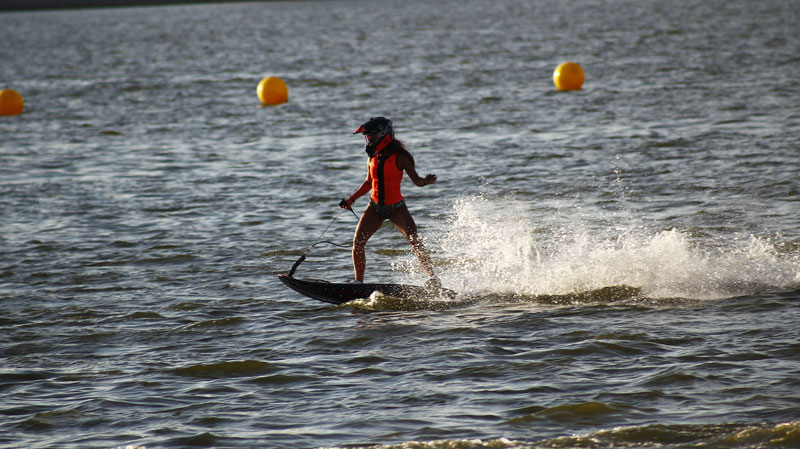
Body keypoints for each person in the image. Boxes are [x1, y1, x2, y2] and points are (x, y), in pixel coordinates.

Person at [340, 117, 440, 288]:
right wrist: (351, 199)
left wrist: (426, 181)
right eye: (367, 138)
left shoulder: (401, 158)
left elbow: (417, 181)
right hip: (374, 207)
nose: (368, 141)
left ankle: (432, 279)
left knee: (415, 241)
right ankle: (358, 281)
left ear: (383, 135)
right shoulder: (372, 158)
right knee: (358, 243)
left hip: (397, 208)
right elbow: (369, 182)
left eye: (371, 137)